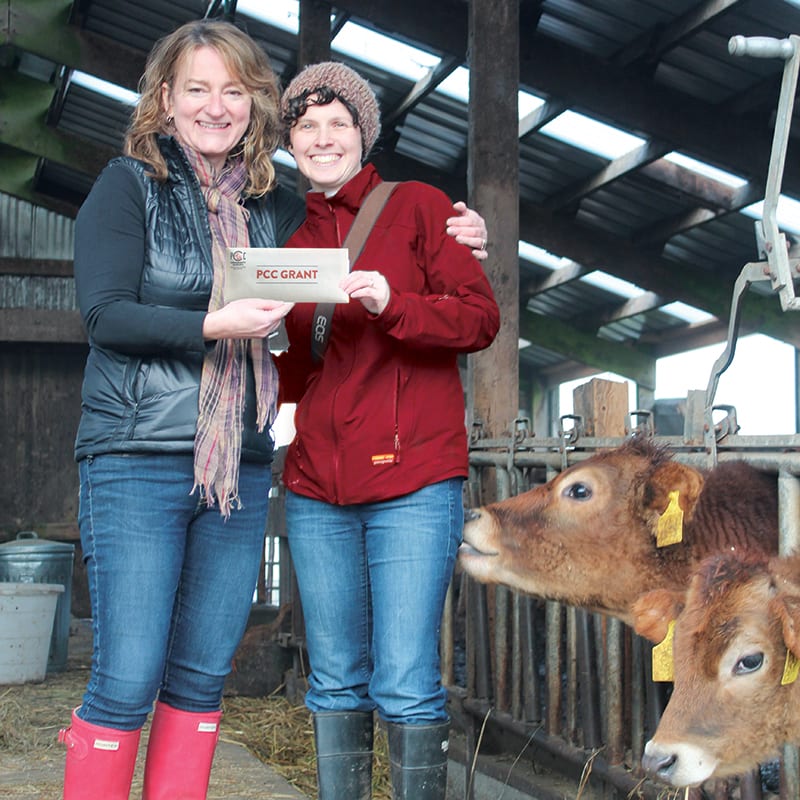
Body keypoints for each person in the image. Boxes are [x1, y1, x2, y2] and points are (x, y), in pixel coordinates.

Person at [60, 19, 489, 800]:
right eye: (197, 89)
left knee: (199, 678)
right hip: (140, 454)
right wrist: (210, 326)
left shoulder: (271, 208)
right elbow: (105, 316)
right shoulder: (128, 186)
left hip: (240, 464)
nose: (216, 106)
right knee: (126, 676)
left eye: (234, 90)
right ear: (165, 98)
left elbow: (371, 235)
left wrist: (457, 230)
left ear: (254, 105)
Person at [275, 62, 501, 800]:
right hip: (315, 486)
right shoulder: (285, 241)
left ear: (363, 134)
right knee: (336, 678)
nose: (322, 137)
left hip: (411, 482)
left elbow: (479, 320)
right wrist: (253, 343)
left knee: (404, 679)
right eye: (306, 125)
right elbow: (299, 377)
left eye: (338, 123)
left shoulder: (420, 208)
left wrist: (394, 303)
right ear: (290, 142)